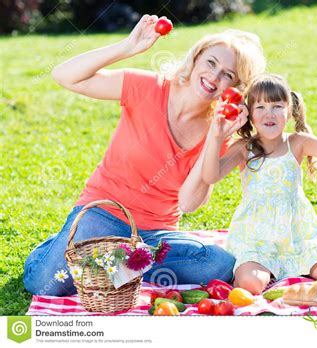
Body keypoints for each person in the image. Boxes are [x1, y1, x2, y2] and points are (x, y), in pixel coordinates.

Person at [23, 14, 266, 296]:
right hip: (103, 213)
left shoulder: (222, 128)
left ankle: (112, 261)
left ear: (235, 89)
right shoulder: (147, 87)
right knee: (43, 284)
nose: (214, 77)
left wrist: (215, 136)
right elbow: (64, 76)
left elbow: (188, 203)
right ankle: (79, 251)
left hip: (154, 236)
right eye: (211, 63)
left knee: (218, 264)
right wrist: (128, 47)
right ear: (196, 58)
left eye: (228, 75)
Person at [201, 73, 317, 294]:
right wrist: (217, 136)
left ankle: (302, 266)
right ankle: (263, 270)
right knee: (250, 284)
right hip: (257, 239)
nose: (269, 113)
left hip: (297, 236)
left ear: (289, 111)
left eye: (277, 106)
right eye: (260, 107)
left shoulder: (297, 143)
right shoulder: (244, 147)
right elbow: (210, 176)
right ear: (249, 114)